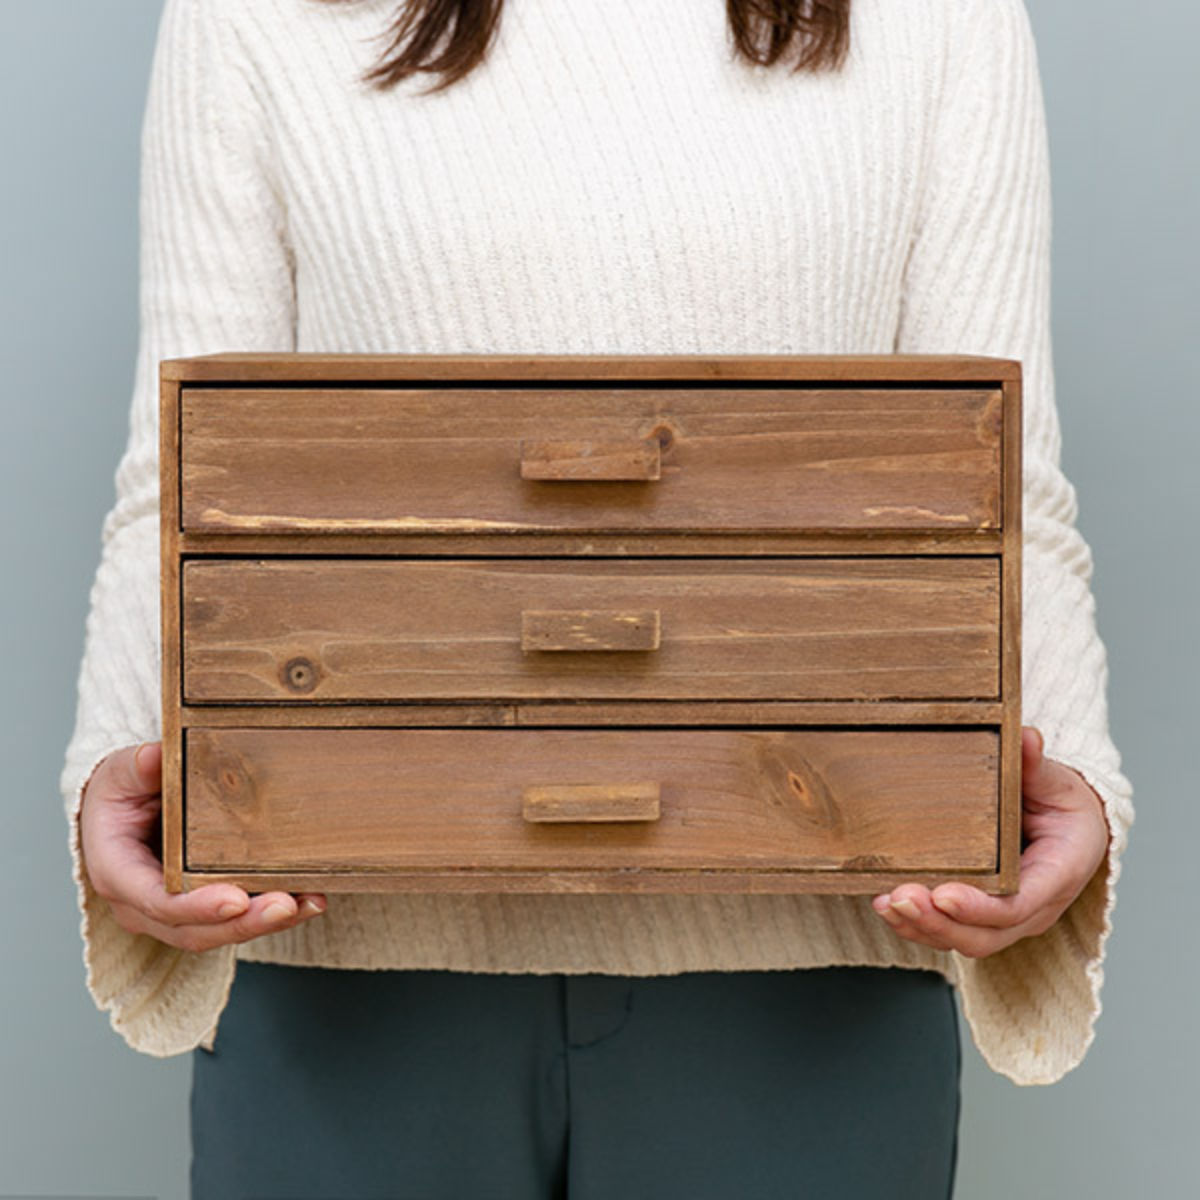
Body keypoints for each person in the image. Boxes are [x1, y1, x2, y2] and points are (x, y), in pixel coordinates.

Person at [62, 0, 1134, 1196]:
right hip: (342, 951)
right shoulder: (248, 16)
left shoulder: (945, 20)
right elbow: (188, 486)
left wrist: (1070, 780)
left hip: (820, 963)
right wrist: (123, 765)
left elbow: (997, 489)